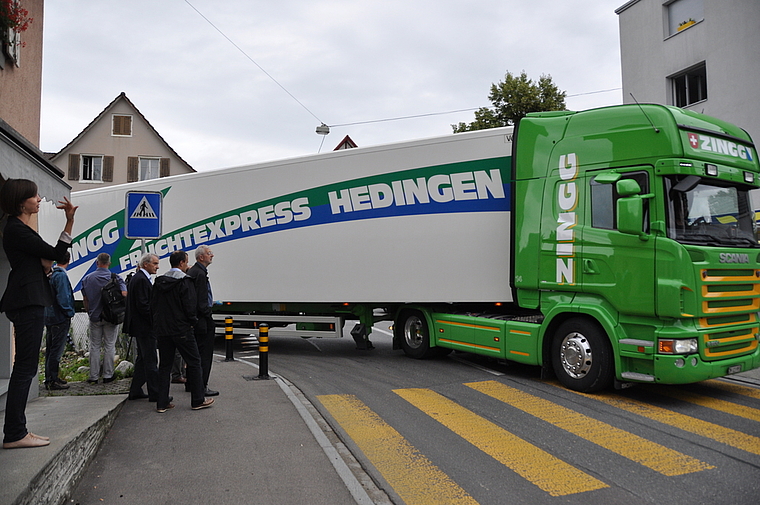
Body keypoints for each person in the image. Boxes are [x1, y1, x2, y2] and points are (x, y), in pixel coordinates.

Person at [0, 178, 77, 450]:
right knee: (25, 368)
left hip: (27, 299)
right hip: (27, 301)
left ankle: (17, 431)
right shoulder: (17, 230)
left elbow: (47, 259)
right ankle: (15, 433)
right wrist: (69, 221)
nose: (39, 199)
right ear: (22, 202)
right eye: (34, 196)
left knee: (26, 367)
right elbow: (57, 254)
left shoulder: (17, 229)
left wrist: (43, 264)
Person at [151, 250, 213, 413]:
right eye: (186, 262)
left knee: (165, 365)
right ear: (181, 263)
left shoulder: (160, 281)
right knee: (194, 362)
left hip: (163, 330)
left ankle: (162, 403)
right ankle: (198, 400)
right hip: (182, 329)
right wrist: (192, 322)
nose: (188, 265)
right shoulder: (185, 282)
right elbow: (190, 307)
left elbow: (154, 306)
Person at [81, 253, 126, 384]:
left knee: (94, 346)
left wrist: (90, 312)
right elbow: (124, 294)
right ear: (109, 263)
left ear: (97, 263)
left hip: (95, 316)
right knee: (109, 345)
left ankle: (93, 376)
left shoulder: (87, 279)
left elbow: (85, 299)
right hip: (111, 317)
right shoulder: (116, 278)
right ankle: (108, 375)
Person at [126, 253, 161, 402]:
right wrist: (155, 320)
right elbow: (143, 305)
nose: (157, 267)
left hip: (141, 326)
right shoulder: (141, 279)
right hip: (145, 327)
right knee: (151, 360)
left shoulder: (141, 278)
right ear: (145, 264)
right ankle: (156, 393)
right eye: (155, 264)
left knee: (143, 359)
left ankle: (135, 389)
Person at [188, 245, 218, 396]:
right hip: (202, 321)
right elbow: (200, 301)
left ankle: (192, 383)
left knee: (196, 355)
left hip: (197, 320)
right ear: (201, 257)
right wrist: (208, 315)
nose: (212, 255)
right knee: (204, 355)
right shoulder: (199, 274)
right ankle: (201, 386)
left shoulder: (194, 272)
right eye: (209, 253)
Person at [43, 251, 75, 391]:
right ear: (68, 260)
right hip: (60, 317)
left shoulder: (51, 274)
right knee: (56, 350)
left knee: (50, 350)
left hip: (50, 316)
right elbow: (63, 297)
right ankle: (52, 380)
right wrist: (69, 312)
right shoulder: (61, 276)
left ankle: (50, 378)